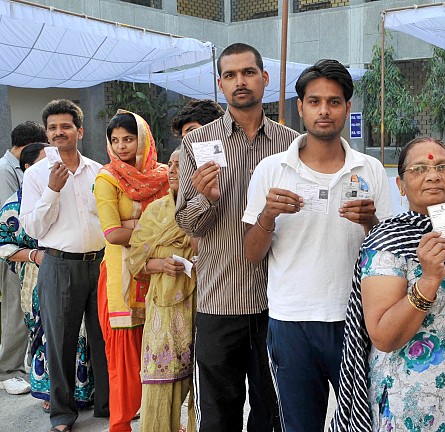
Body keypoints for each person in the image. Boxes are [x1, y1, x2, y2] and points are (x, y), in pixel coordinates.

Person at [242, 59, 392, 432]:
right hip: (292, 319)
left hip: (356, 317)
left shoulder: (369, 170)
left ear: (347, 108)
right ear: (300, 107)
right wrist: (267, 216)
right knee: (300, 424)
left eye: (334, 101)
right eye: (315, 101)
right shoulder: (272, 169)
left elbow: (388, 249)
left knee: (363, 421)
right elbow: (251, 254)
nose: (324, 111)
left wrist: (370, 222)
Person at [175, 43, 298, 431]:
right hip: (219, 298)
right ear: (220, 84)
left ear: (265, 78)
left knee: (272, 409)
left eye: (248, 72)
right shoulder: (197, 144)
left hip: (277, 302)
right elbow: (187, 224)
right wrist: (208, 200)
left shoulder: (292, 145)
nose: (239, 82)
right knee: (218, 414)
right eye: (230, 75)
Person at [331, 137, 445, 432]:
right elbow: (383, 336)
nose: (432, 175)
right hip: (408, 397)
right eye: (419, 169)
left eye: (443, 166)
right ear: (400, 185)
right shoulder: (387, 240)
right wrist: (427, 281)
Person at [20, 99, 109, 432]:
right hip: (59, 266)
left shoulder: (98, 171)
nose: (59, 132)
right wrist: (53, 191)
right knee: (60, 343)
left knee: (104, 338)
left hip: (100, 263)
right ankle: (62, 415)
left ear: (79, 131)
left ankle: (107, 405)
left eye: (65, 126)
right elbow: (32, 228)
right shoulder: (37, 176)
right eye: (53, 128)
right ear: (47, 133)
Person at [0, 143, 95, 413]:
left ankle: (84, 392)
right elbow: (4, 244)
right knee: (47, 336)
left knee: (82, 336)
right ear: (30, 169)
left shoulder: (72, 190)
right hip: (36, 279)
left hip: (71, 270)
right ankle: (51, 394)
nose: (57, 165)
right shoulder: (13, 206)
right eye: (48, 160)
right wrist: (33, 256)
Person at [95, 109, 169, 432]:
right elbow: (112, 233)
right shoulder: (107, 178)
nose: (122, 146)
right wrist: (157, 230)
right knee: (123, 363)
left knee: (164, 354)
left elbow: (179, 221)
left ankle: (160, 422)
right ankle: (121, 425)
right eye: (116, 140)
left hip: (160, 275)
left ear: (144, 139)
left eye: (129, 138)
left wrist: (137, 227)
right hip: (120, 279)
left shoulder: (166, 175)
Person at [128, 148, 198, 432]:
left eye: (180, 165)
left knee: (200, 376)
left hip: (204, 299)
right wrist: (160, 264)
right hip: (165, 303)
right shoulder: (155, 210)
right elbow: (135, 257)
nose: (171, 169)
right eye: (169, 164)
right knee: (160, 372)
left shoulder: (210, 208)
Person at [0, 121, 47, 395]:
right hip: (15, 251)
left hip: (29, 253)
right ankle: (10, 370)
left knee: (29, 312)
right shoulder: (6, 170)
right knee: (15, 312)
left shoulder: (16, 167)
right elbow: (10, 215)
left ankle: (23, 365)